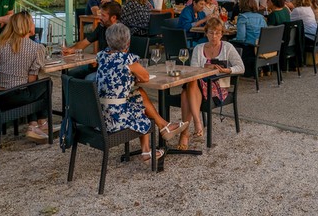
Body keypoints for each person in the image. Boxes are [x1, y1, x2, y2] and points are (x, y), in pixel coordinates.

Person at [95, 23, 187, 161]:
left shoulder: (101, 56)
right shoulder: (128, 59)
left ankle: (162, 130)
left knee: (138, 93)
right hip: (115, 120)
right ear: (128, 42)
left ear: (108, 40)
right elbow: (145, 77)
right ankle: (156, 137)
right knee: (140, 106)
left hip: (100, 113)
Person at [0, 11, 49, 143]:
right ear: (28, 26)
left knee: (33, 89)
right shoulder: (37, 48)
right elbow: (31, 81)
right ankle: (40, 124)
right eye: (33, 22)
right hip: (17, 97)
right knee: (46, 84)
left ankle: (36, 124)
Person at [185, 17, 245, 148]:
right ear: (206, 33)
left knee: (186, 91)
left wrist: (226, 70)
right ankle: (197, 122)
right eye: (211, 32)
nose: (214, 36)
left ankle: (191, 128)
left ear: (222, 34)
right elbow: (193, 70)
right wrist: (206, 68)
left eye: (218, 33)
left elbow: (241, 67)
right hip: (200, 83)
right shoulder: (199, 48)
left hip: (218, 86)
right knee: (192, 83)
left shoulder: (227, 47)